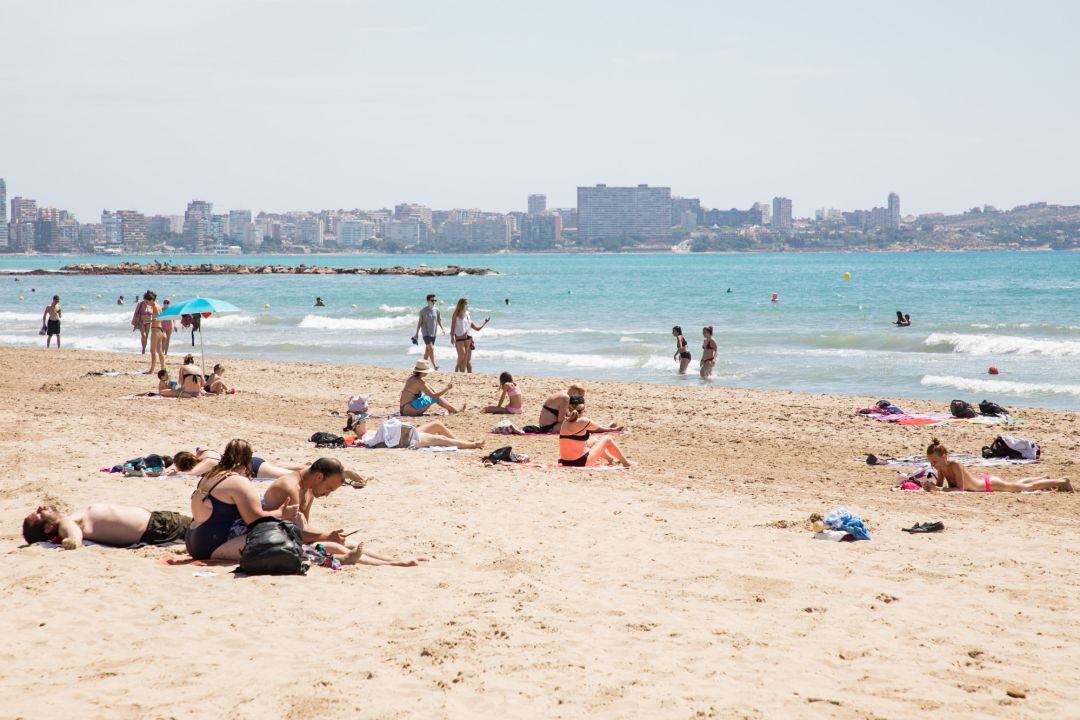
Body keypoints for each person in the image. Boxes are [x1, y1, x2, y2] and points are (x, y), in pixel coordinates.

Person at [185, 439, 300, 561]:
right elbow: (254, 519)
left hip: (193, 540)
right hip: (212, 545)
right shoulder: (238, 482)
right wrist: (281, 513)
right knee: (281, 535)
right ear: (248, 460)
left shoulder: (209, 476)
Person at [925, 438, 1072, 493]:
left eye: (935, 461)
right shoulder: (942, 468)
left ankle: (1062, 481)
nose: (933, 465)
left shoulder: (955, 465)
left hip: (989, 485)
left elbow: (961, 489)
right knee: (1015, 484)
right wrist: (930, 486)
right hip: (982, 481)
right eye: (931, 462)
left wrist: (938, 489)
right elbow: (939, 485)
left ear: (944, 456)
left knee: (1024, 488)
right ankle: (1042, 478)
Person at [22, 504, 191, 548]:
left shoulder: (71, 518)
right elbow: (73, 534)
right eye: (38, 515)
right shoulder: (67, 523)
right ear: (47, 528)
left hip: (158, 523)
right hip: (158, 527)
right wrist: (73, 540)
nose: (40, 508)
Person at [260, 458, 349, 544]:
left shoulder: (310, 489)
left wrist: (330, 536)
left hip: (292, 538)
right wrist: (326, 537)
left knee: (346, 543)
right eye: (328, 488)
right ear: (319, 477)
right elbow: (290, 533)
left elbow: (304, 527)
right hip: (273, 538)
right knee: (337, 546)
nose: (327, 494)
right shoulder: (290, 488)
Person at [557, 396, 630, 468]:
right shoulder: (584, 420)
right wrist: (614, 429)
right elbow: (600, 428)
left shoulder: (565, 421)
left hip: (565, 461)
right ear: (583, 409)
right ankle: (626, 463)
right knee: (607, 439)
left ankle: (611, 459)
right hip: (580, 462)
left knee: (594, 440)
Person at [530, 384, 621, 434]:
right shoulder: (565, 398)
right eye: (580, 396)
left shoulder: (563, 393)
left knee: (582, 421)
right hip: (550, 427)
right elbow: (561, 419)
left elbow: (564, 415)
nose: (579, 399)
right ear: (575, 391)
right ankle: (608, 429)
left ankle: (604, 427)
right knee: (581, 425)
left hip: (548, 425)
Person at [168, 447, 306, 480]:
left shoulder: (207, 462)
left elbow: (192, 472)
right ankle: (311, 467)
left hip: (252, 469)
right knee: (281, 467)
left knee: (293, 476)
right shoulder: (205, 452)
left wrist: (173, 472)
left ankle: (315, 470)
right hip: (253, 462)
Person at [352, 416, 483, 450]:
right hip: (406, 439)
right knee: (440, 438)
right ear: (357, 425)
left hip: (406, 433)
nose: (366, 420)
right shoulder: (365, 437)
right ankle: (472, 445)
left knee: (436, 424)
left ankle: (461, 442)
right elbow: (374, 443)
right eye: (363, 420)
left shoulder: (367, 432)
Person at [399, 360, 463, 415]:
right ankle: (454, 411)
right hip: (409, 410)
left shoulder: (412, 378)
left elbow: (430, 389)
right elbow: (434, 396)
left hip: (404, 408)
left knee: (432, 393)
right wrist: (447, 388)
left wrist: (434, 390)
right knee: (436, 398)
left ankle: (451, 409)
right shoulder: (419, 382)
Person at [450, 297, 489, 373]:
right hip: (459, 337)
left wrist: (485, 322)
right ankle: (457, 367)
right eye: (466, 303)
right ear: (461, 304)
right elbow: (452, 326)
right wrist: (451, 336)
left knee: (467, 359)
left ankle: (464, 374)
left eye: (467, 304)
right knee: (462, 354)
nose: (467, 305)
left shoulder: (467, 314)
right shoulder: (456, 314)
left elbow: (476, 328)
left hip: (468, 337)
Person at [413, 294, 445, 370]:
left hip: (433, 333)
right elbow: (419, 323)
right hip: (425, 333)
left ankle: (423, 366)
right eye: (432, 300)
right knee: (431, 348)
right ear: (428, 301)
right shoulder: (423, 311)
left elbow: (439, 320)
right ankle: (435, 365)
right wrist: (417, 333)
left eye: (435, 300)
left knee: (427, 351)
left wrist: (443, 329)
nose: (434, 302)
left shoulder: (437, 310)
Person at [143, 291, 165, 375]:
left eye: (147, 301)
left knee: (152, 351)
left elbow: (157, 319)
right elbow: (161, 318)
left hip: (155, 330)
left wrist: (148, 321)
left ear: (152, 300)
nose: (146, 303)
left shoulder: (155, 307)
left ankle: (151, 370)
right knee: (159, 351)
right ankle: (163, 368)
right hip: (160, 329)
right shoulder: (158, 306)